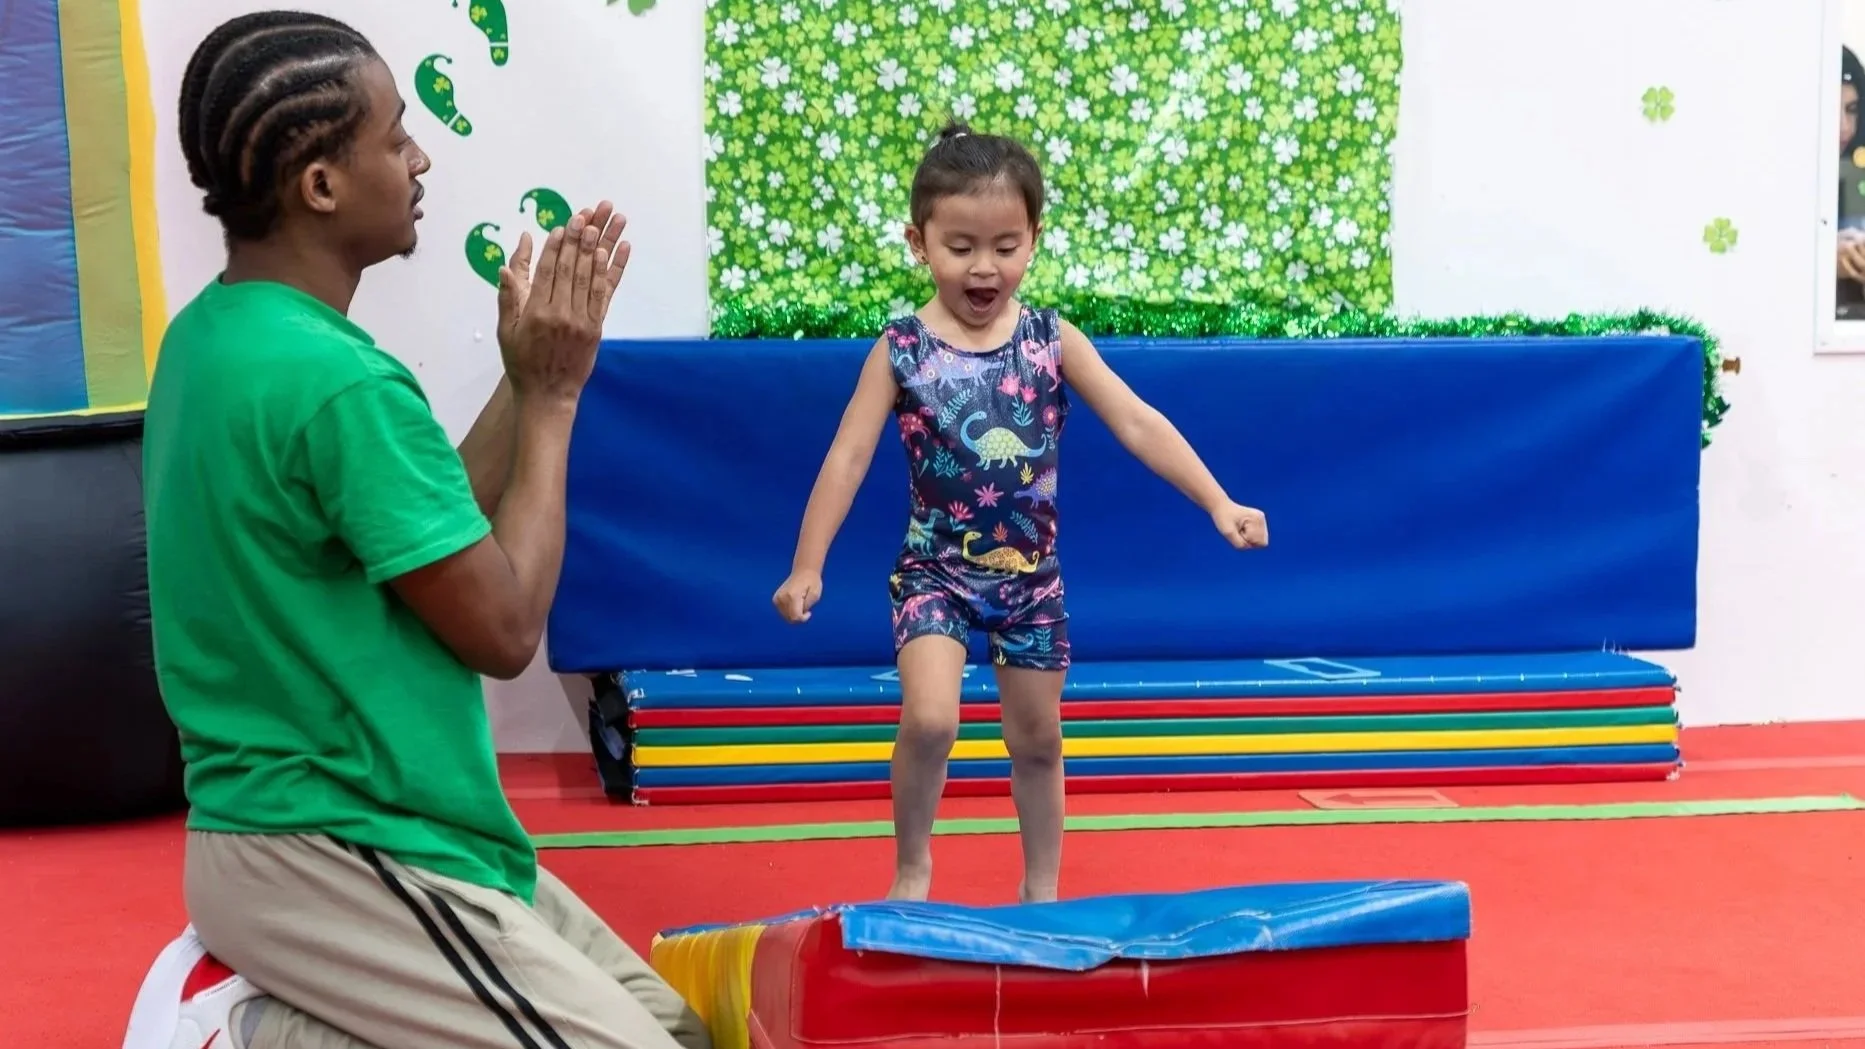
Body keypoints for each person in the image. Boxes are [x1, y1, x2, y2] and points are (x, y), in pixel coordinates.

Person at [120, 12, 709, 1049]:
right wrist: (554, 401)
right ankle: (257, 1029)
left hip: (351, 835)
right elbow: (504, 626)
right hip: (331, 845)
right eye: (395, 137)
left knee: (681, 1029)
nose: (419, 157)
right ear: (321, 185)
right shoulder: (336, 380)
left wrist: (524, 375)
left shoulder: (213, 335)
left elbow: (426, 535)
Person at [769, 122, 1269, 904]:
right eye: (959, 246)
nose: (983, 266)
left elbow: (1136, 421)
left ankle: (1041, 888)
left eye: (1005, 246)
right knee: (930, 720)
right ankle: (912, 866)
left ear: (1034, 238)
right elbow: (848, 457)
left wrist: (1217, 499)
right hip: (934, 571)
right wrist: (808, 564)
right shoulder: (901, 348)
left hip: (1030, 581)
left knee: (1036, 738)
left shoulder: (1049, 339)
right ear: (917, 242)